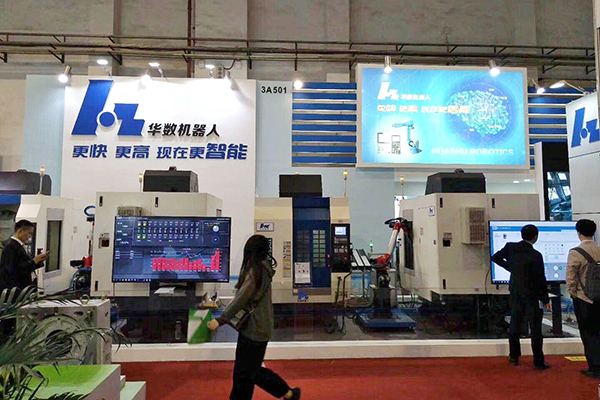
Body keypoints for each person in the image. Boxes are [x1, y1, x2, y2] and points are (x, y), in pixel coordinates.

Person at [208, 235, 301, 400]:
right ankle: (288, 393)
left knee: (247, 372)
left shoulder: (255, 272)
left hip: (253, 329)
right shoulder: (264, 270)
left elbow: (240, 299)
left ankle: (288, 393)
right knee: (248, 372)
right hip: (260, 327)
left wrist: (220, 320)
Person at [491, 224, 551, 370]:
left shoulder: (511, 247)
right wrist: (545, 299)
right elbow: (540, 279)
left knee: (515, 325)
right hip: (532, 295)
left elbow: (495, 257)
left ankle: (514, 356)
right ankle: (538, 361)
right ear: (535, 237)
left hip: (516, 292)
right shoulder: (536, 255)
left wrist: (512, 268)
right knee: (535, 329)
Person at [566, 219, 600, 379]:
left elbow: (571, 277)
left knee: (588, 334)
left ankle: (594, 367)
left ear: (578, 232)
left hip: (584, 299)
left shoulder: (576, 252)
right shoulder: (599, 249)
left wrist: (573, 293)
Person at [0, 220, 47, 293]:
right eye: (29, 233)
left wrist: (38, 261)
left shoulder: (19, 246)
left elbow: (24, 265)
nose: (30, 237)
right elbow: (13, 269)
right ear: (20, 231)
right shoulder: (11, 246)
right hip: (16, 288)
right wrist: (34, 261)